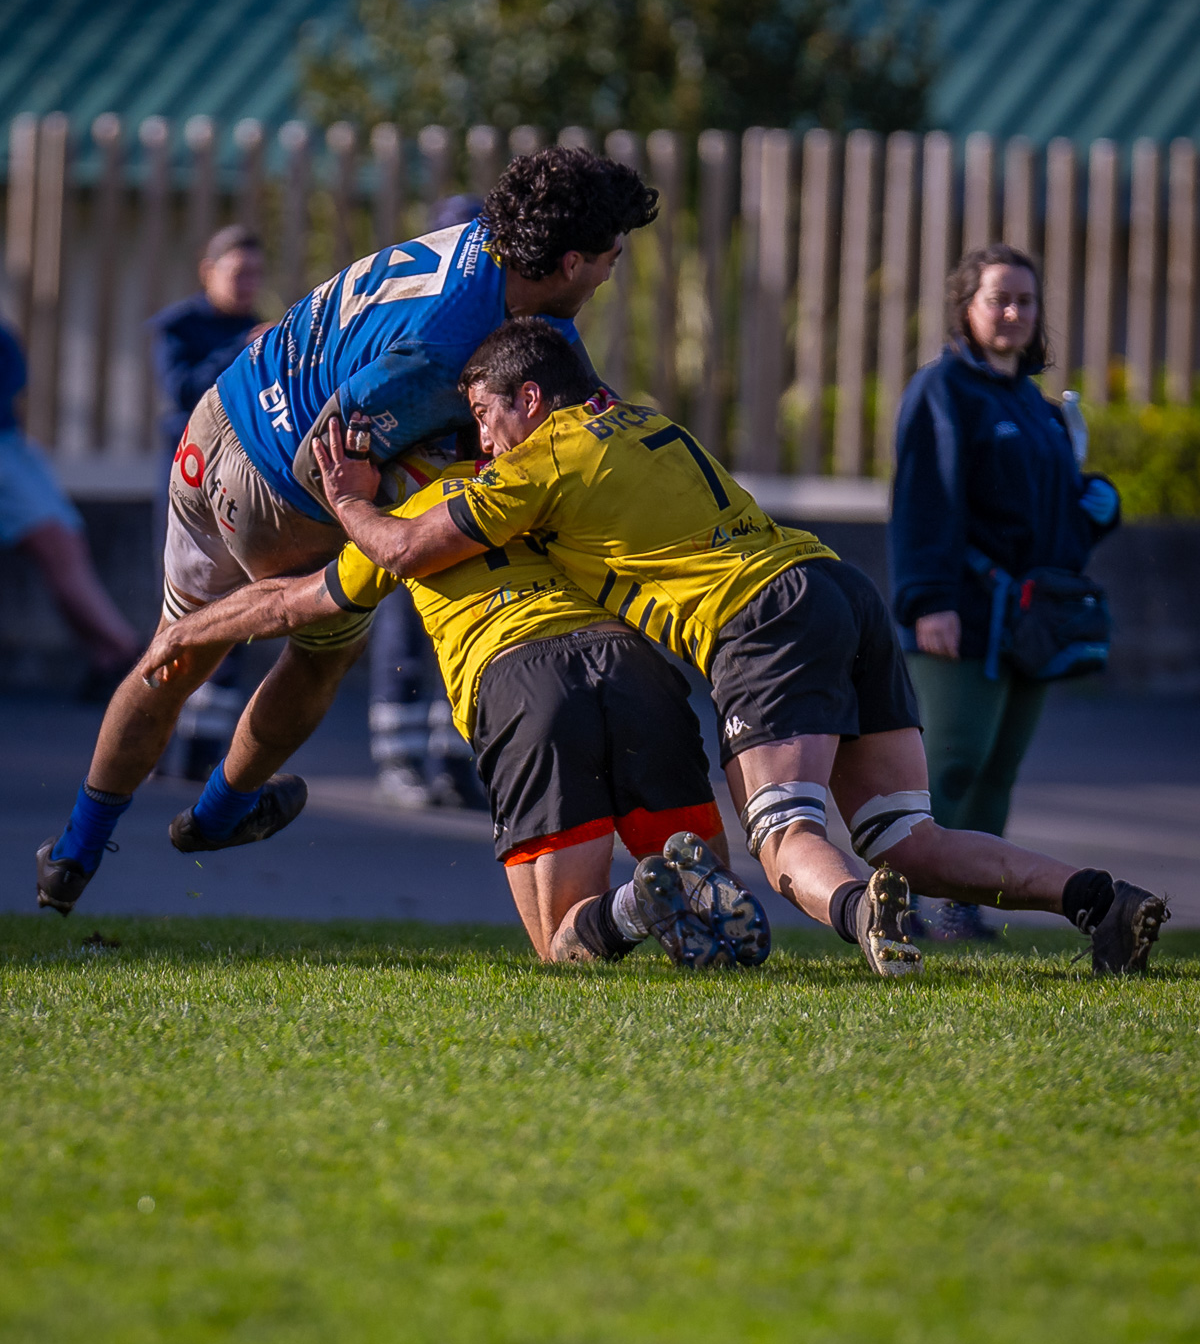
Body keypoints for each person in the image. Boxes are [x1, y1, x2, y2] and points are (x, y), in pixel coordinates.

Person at [303, 318, 1167, 978]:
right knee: (908, 837)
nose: (484, 444)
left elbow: (407, 549)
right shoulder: (641, 420)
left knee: (783, 837)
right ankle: (1101, 901)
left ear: (530, 399)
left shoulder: (541, 463)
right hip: (836, 587)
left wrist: (347, 501)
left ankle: (862, 915)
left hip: (760, 618)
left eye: (486, 417)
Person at [37, 147, 655, 915]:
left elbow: (569, 383)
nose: (610, 274)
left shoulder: (491, 247)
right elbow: (325, 458)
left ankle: (75, 851)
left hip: (216, 422)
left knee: (176, 647)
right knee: (322, 642)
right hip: (279, 483)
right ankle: (221, 812)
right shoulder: (447, 343)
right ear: (569, 261)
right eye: (609, 258)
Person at [140, 427, 770, 971]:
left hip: (526, 683)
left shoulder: (406, 521)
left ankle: (633, 905)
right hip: (634, 668)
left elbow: (288, 604)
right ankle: (675, 899)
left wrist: (185, 630)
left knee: (561, 941)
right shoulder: (542, 481)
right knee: (705, 890)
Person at [890, 244, 1121, 942]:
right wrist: (928, 600)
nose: (1014, 312)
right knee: (952, 765)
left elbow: (1054, 528)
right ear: (967, 308)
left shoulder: (1038, 408)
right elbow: (922, 501)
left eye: (1026, 300)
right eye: (999, 299)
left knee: (997, 770)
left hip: (1028, 624)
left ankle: (962, 909)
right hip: (960, 615)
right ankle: (903, 905)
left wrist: (1095, 508)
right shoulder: (941, 390)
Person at [365, 196, 487, 812]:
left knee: (461, 627)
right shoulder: (408, 305)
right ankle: (400, 758)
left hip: (465, 493)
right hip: (410, 491)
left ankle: (455, 766)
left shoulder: (497, 311)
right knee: (404, 633)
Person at [151, 225, 269, 780]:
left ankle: (203, 752)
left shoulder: (263, 328)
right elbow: (180, 389)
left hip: (239, 482)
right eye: (237, 273)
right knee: (178, 608)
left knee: (232, 611)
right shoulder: (179, 326)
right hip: (186, 481)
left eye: (255, 275)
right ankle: (151, 739)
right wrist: (240, 350)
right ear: (208, 271)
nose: (247, 285)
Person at [0, 320, 139, 694]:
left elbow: (13, 382)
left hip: (10, 445)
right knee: (57, 544)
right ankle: (127, 653)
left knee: (64, 543)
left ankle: (114, 654)